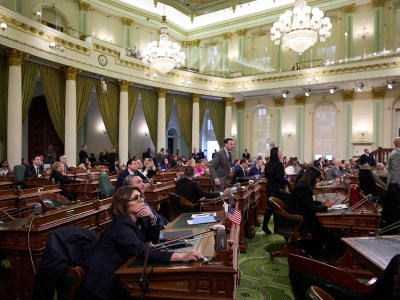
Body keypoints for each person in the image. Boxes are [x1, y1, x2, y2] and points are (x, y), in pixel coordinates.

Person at [82, 186, 204, 300]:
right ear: (124, 204)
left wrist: (152, 218)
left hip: (123, 270)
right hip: (106, 280)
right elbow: (141, 251)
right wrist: (181, 256)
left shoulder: (139, 219)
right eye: (136, 198)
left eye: (141, 196)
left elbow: (155, 238)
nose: (142, 200)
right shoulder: (120, 225)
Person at [287, 167, 334, 254]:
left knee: (323, 227)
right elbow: (311, 209)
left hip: (301, 215)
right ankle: (316, 250)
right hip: (298, 220)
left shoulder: (303, 185)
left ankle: (320, 248)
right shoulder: (303, 188)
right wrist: (326, 206)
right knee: (322, 228)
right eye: (317, 178)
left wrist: (321, 204)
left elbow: (308, 202)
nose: (317, 180)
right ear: (312, 177)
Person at [263, 147, 288, 234]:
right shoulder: (279, 164)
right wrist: (287, 181)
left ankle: (268, 226)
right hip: (277, 189)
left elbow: (266, 176)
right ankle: (274, 228)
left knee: (270, 208)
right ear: (275, 153)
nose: (281, 153)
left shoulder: (268, 164)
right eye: (279, 152)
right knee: (276, 209)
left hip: (270, 188)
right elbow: (278, 178)